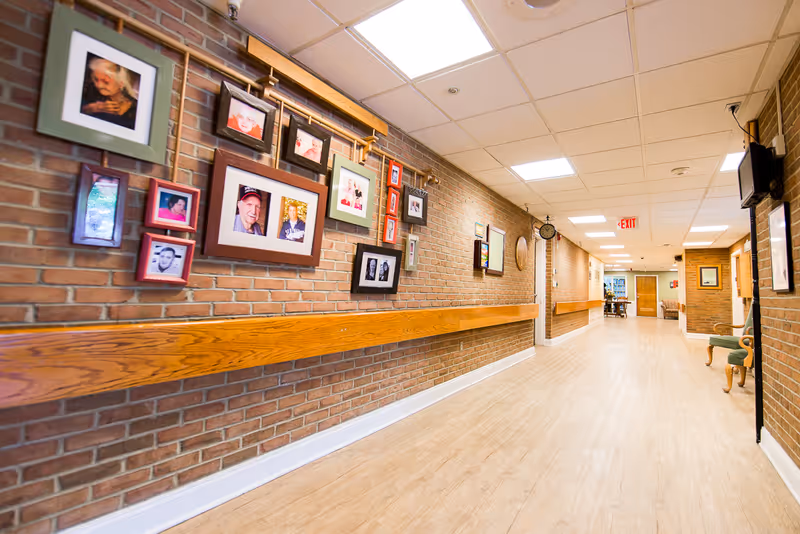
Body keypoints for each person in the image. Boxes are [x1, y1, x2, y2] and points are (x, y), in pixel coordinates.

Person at [81, 57, 138, 130]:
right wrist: (91, 108)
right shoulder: (89, 94)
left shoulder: (135, 110)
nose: (99, 85)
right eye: (95, 79)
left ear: (121, 83)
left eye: (105, 82)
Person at [84, 175, 119, 240]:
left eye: (104, 186)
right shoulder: (93, 198)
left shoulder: (118, 200)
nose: (101, 189)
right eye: (99, 186)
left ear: (114, 183)